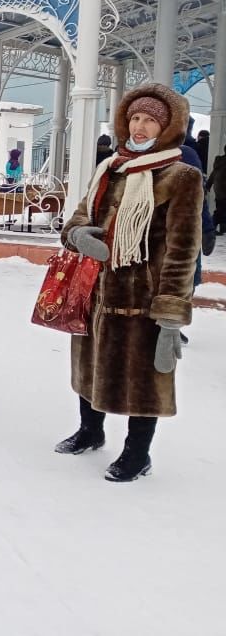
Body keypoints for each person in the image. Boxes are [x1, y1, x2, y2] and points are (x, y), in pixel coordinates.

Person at [57, 83, 202, 483]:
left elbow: (182, 249)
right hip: (96, 290)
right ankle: (90, 431)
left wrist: (171, 314)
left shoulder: (181, 176)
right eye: (135, 118)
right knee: (90, 367)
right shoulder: (110, 166)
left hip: (143, 300)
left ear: (168, 127)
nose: (140, 127)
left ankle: (137, 454)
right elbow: (78, 217)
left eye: (150, 120)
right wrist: (79, 235)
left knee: (144, 379)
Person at [207, 145, 226, 235]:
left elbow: (213, 174)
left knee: (221, 208)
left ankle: (223, 228)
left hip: (219, 189)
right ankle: (210, 228)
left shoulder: (220, 161)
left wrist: (208, 185)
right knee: (220, 211)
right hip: (223, 190)